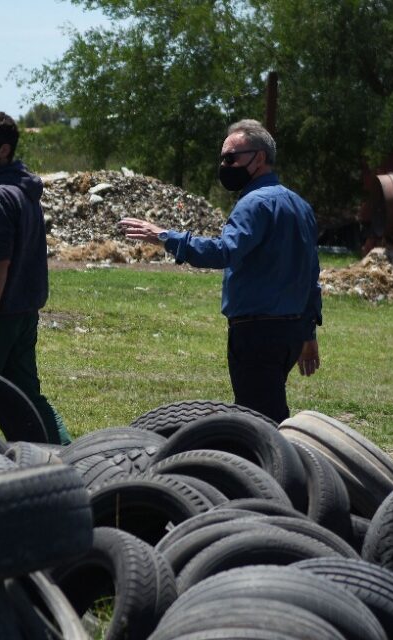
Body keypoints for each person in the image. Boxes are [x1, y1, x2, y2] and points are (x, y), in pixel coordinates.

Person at [118, 119, 321, 424]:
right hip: (289, 333)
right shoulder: (300, 205)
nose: (225, 165)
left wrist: (163, 236)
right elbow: (310, 275)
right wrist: (308, 333)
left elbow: (223, 252)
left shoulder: (253, 204)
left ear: (260, 158)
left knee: (259, 423)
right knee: (266, 409)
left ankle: (274, 471)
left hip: (256, 333)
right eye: (223, 158)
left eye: (232, 158)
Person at [0, 111, 71, 444]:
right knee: (28, 399)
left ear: (3, 151)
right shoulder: (23, 191)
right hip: (22, 313)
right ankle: (69, 455)